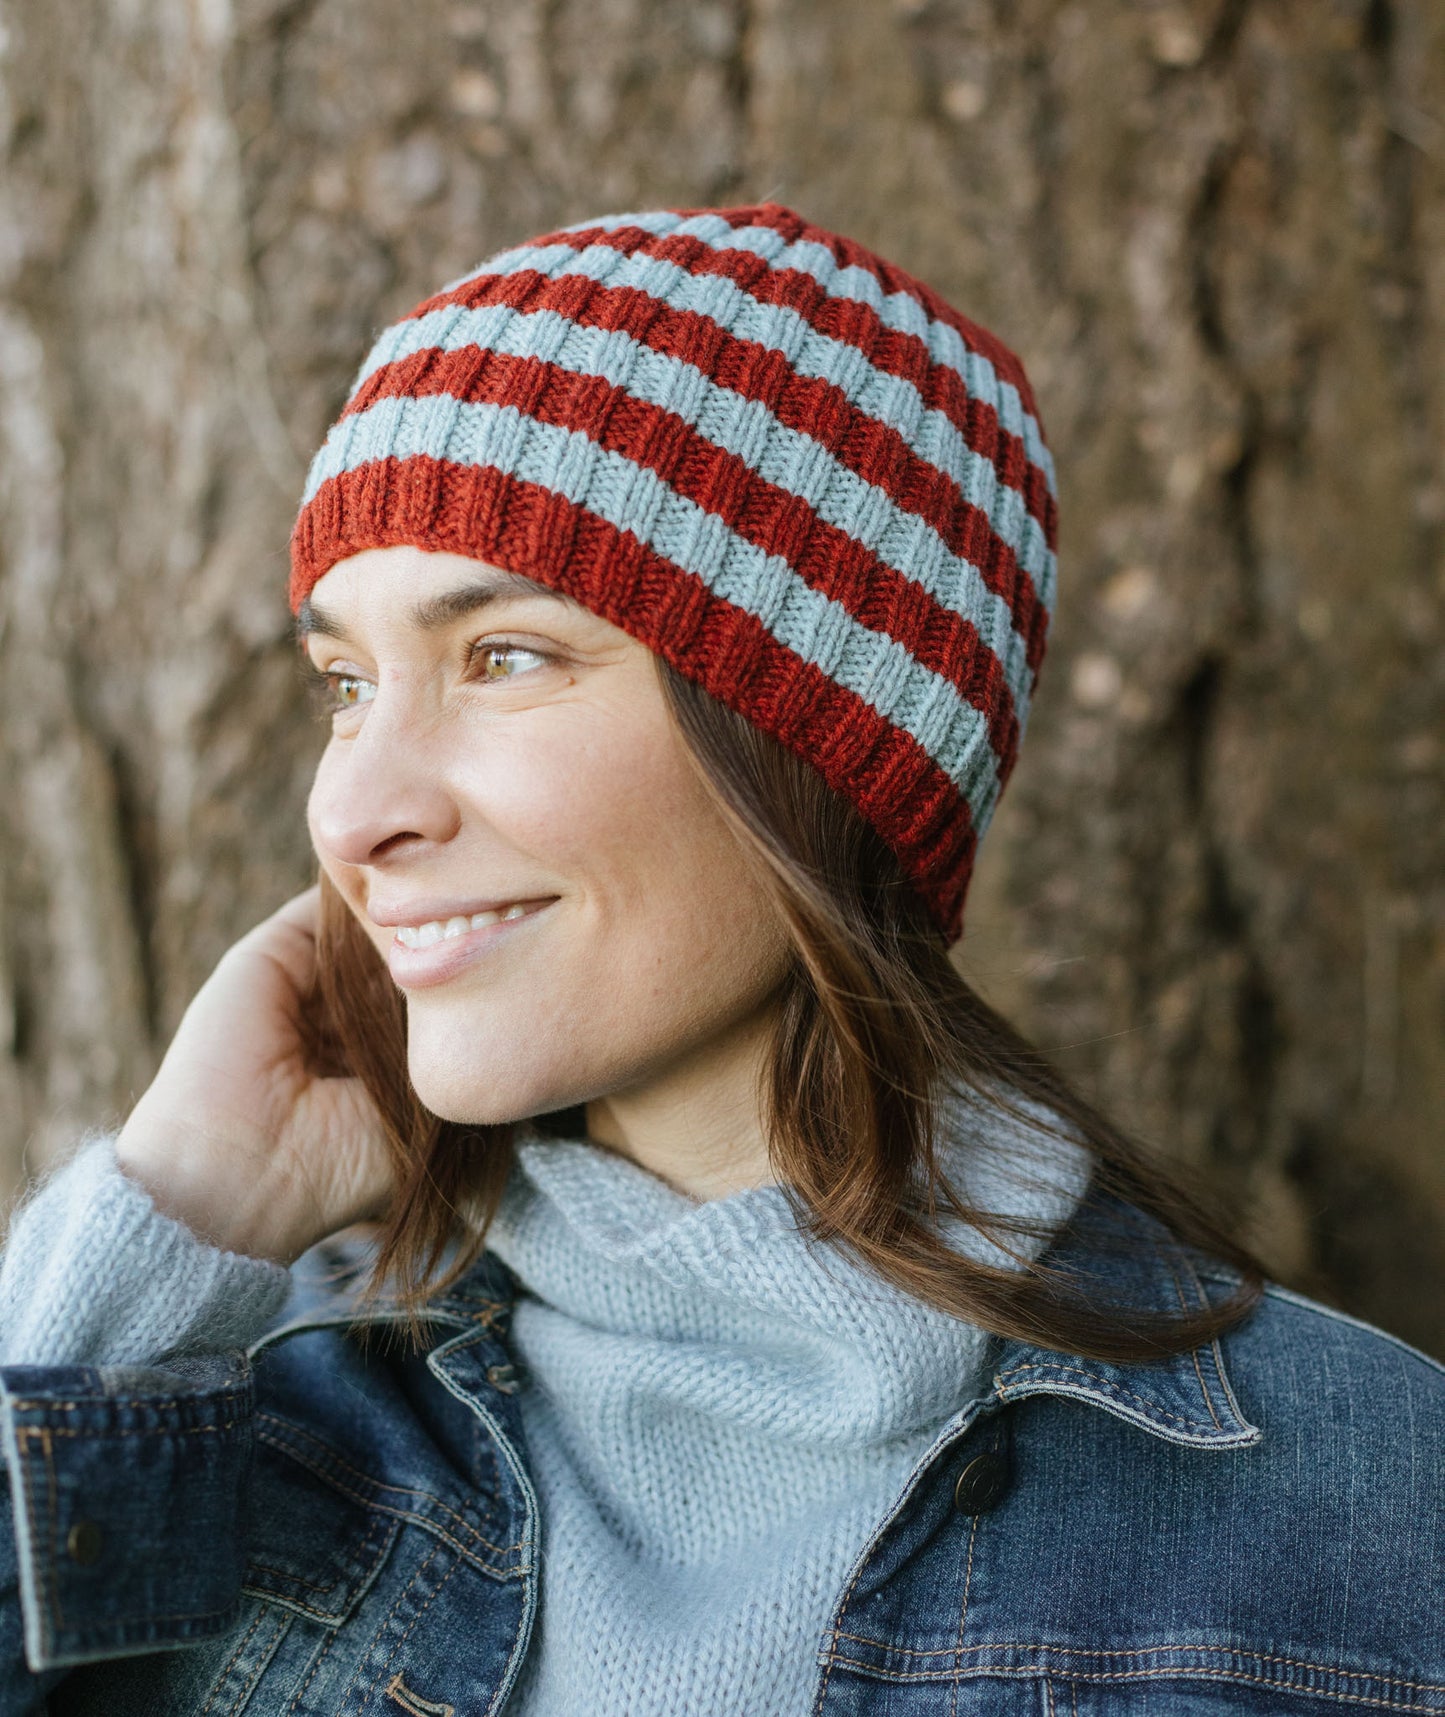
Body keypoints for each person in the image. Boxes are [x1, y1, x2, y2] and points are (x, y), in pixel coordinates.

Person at [0, 202, 1440, 1717]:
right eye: (346, 683)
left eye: (506, 656)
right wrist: (167, 1219)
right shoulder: (241, 1424)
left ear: (825, 748)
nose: (352, 810)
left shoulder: (1360, 1506)